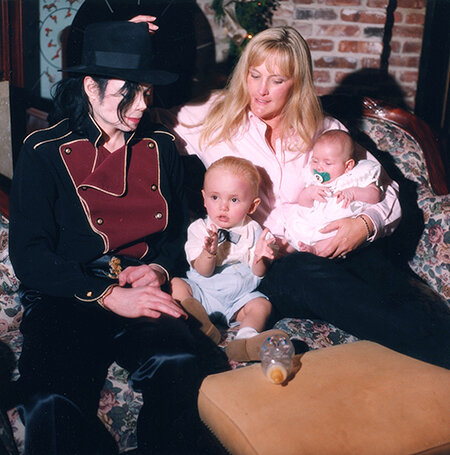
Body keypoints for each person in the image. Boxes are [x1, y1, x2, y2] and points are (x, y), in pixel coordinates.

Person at [153, 26, 450, 368]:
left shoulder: (324, 129)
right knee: (306, 272)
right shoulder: (216, 114)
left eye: (276, 80)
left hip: (344, 246)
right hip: (276, 263)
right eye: (254, 75)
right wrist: (134, 44)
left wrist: (364, 224)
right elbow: (144, 119)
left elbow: (385, 189)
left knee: (388, 279)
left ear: (296, 84)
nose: (261, 90)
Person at [9, 21, 217, 455]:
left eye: (147, 92)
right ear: (91, 87)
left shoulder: (162, 145)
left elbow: (177, 231)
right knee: (49, 398)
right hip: (67, 293)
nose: (142, 105)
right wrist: (105, 294)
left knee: (179, 361)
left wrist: (157, 268)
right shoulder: (43, 150)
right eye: (128, 92)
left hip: (140, 286)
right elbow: (29, 256)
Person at [171, 156, 286, 362]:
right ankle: (201, 326)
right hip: (204, 292)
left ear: (252, 206)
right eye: (215, 197)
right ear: (204, 198)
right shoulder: (199, 229)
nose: (223, 207)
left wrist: (260, 257)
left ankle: (245, 340)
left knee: (262, 305)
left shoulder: (253, 230)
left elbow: (258, 273)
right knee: (176, 285)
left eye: (234, 200)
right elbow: (203, 271)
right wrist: (209, 253)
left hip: (238, 299)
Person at [270, 129, 381, 254]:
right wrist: (309, 193)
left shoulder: (355, 176)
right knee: (294, 227)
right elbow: (303, 204)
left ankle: (316, 250)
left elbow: (375, 195)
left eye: (327, 163)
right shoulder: (314, 179)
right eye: (315, 160)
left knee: (334, 236)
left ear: (348, 166)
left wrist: (354, 193)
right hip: (313, 220)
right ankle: (283, 252)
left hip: (338, 223)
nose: (319, 167)